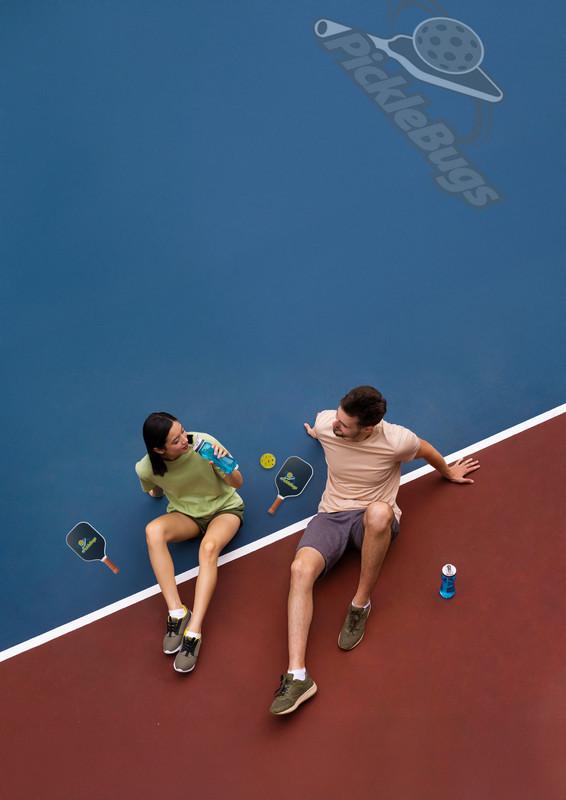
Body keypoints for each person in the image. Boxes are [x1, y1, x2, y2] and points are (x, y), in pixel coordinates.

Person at [269, 386, 480, 714]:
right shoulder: (327, 423)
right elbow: (324, 425)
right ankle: (298, 677)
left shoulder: (397, 441)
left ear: (368, 429)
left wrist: (448, 472)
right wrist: (319, 434)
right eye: (337, 418)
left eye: (344, 425)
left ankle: (361, 604)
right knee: (299, 570)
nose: (335, 426)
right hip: (332, 514)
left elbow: (425, 450)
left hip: (373, 516)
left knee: (380, 513)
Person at [135, 412, 244, 673]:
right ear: (159, 450)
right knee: (153, 531)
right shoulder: (146, 468)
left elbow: (238, 483)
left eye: (183, 431)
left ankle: (194, 631)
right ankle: (177, 612)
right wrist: (156, 491)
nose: (185, 440)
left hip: (225, 509)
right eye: (176, 440)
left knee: (208, 549)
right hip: (187, 516)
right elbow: (154, 487)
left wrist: (223, 464)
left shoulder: (204, 444)